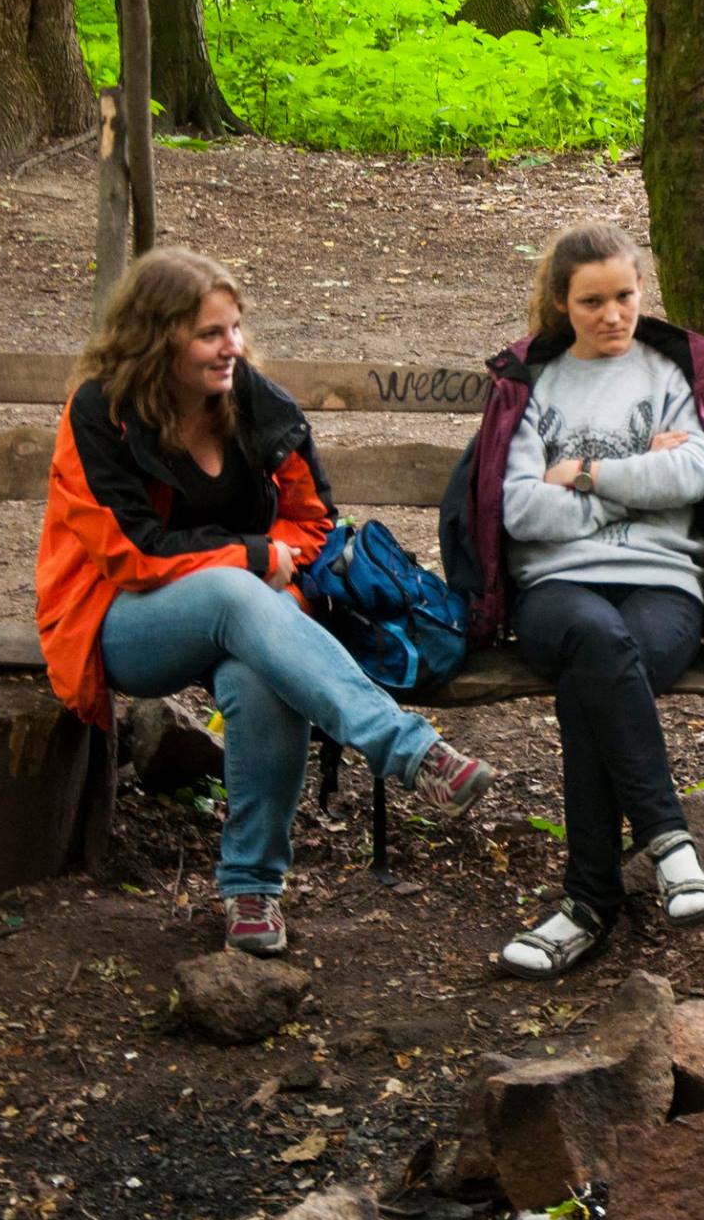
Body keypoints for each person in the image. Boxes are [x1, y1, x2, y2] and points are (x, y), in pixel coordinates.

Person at [36, 248, 496, 957]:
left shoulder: (255, 404)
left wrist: (271, 565)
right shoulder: (103, 413)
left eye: (236, 328)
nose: (233, 347)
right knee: (231, 588)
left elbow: (313, 523)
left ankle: (252, 890)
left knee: (259, 675)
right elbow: (130, 553)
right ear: (158, 338)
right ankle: (410, 750)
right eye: (211, 334)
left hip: (247, 619)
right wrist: (252, 558)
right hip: (119, 621)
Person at [439, 222, 704, 980]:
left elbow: (693, 479)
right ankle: (670, 843)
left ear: (641, 292)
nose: (612, 314)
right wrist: (636, 480)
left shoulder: (670, 374)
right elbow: (517, 511)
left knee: (597, 680)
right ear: (560, 303)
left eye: (625, 296)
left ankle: (586, 906)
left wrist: (579, 474)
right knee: (595, 644)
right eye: (592, 302)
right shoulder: (532, 384)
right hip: (556, 591)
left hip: (662, 588)